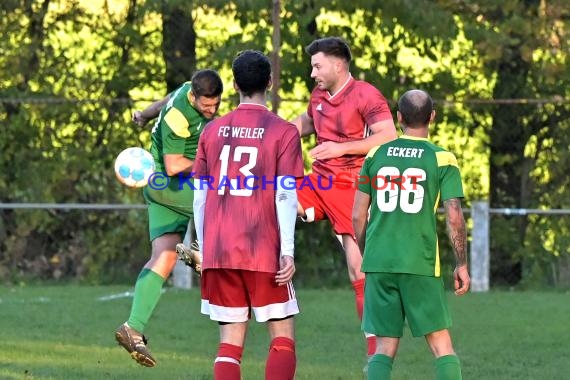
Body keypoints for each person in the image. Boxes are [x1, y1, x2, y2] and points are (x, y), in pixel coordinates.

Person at [193, 50, 304, 380]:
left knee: (229, 343)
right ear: (269, 82)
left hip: (220, 249)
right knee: (282, 338)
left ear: (235, 84)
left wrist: (203, 247)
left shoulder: (211, 131)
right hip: (262, 249)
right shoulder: (283, 132)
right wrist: (287, 251)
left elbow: (200, 197)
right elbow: (284, 194)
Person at [352, 89, 470, 380]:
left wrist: (368, 252)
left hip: (379, 262)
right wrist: (461, 264)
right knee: (442, 346)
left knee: (383, 347)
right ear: (432, 117)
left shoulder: (376, 154)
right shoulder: (442, 159)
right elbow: (454, 216)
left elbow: (357, 214)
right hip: (420, 262)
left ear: (399, 117)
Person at [291, 36, 398, 358]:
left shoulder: (365, 94)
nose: (313, 73)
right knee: (270, 197)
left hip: (350, 186)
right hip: (317, 182)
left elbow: (389, 135)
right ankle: (217, 256)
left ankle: (373, 353)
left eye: (317, 66)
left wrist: (341, 148)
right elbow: (308, 122)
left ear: (338, 65)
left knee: (358, 269)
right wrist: (274, 131)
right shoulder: (319, 95)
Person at [114, 69, 224, 367]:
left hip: (157, 189)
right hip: (172, 185)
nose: (211, 111)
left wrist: (144, 115)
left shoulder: (188, 87)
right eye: (206, 106)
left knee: (163, 257)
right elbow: (174, 165)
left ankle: (133, 327)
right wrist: (212, 164)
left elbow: (164, 100)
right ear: (194, 97)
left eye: (215, 105)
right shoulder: (180, 115)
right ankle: (202, 250)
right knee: (225, 197)